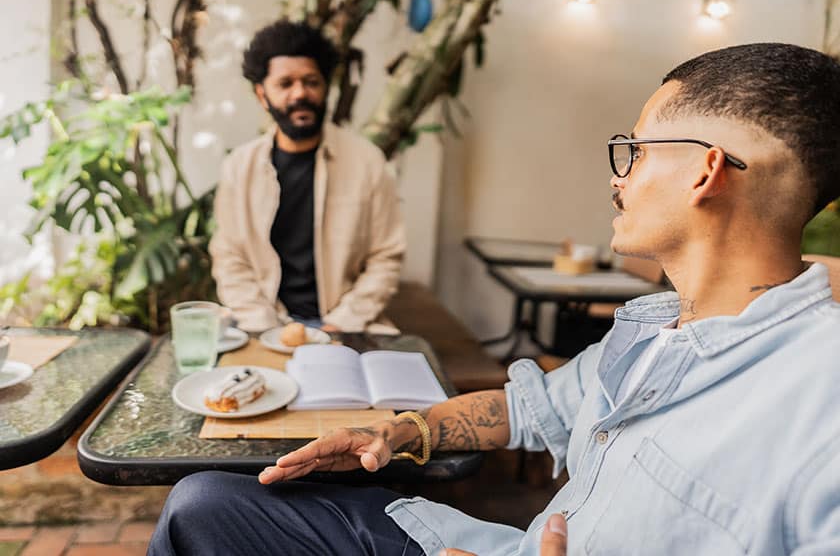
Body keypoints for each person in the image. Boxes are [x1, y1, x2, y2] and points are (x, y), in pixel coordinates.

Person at [150, 42, 840, 555]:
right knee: (203, 504)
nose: (618, 180)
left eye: (633, 152)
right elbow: (525, 406)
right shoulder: (653, 331)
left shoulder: (818, 408)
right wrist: (399, 432)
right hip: (480, 545)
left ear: (703, 171)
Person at [209, 20, 406, 334]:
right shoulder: (239, 167)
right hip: (262, 325)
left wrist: (339, 324)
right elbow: (230, 257)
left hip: (346, 327)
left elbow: (385, 256)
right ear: (262, 95)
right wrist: (265, 326)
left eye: (311, 81)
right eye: (285, 84)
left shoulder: (367, 161)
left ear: (325, 87)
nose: (300, 93)